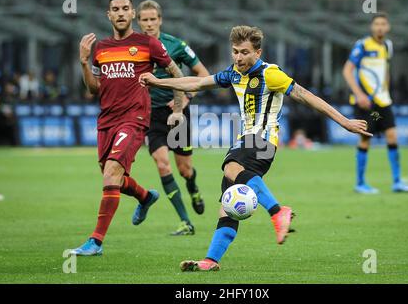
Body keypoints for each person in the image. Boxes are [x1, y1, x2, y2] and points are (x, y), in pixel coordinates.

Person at [139, 25, 372, 271]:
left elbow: (306, 95)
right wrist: (157, 82)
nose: (238, 57)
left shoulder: (270, 73)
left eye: (244, 52)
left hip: (262, 140)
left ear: (257, 53)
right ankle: (211, 260)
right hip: (247, 141)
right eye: (235, 51)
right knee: (228, 206)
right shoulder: (233, 74)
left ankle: (277, 211)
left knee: (230, 166)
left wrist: (344, 121)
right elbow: (196, 82)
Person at [70, 0, 184, 256]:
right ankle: (145, 196)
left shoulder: (148, 44)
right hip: (106, 120)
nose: (120, 13)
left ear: (132, 14)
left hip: (135, 118)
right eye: (115, 9)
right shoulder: (101, 48)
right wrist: (84, 62)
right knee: (114, 177)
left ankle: (95, 242)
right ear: (108, 15)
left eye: (125, 9)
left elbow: (176, 73)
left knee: (111, 173)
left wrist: (178, 109)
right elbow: (93, 89)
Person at [136, 0, 209, 236]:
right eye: (144, 20)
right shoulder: (133, 49)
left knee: (185, 169)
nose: (148, 24)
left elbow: (203, 74)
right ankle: (185, 221)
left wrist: (186, 97)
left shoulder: (176, 45)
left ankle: (193, 187)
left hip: (177, 113)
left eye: (152, 19)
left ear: (160, 20)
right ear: (138, 22)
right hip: (150, 116)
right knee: (162, 163)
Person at [343, 12, 408, 194]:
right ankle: (360, 183)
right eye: (377, 24)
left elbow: (385, 71)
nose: (380, 27)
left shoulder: (388, 46)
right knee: (366, 138)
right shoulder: (363, 45)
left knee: (392, 136)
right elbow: (347, 70)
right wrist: (359, 95)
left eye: (383, 24)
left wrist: (386, 90)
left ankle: (397, 181)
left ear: (388, 27)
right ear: (372, 27)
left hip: (383, 101)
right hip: (366, 102)